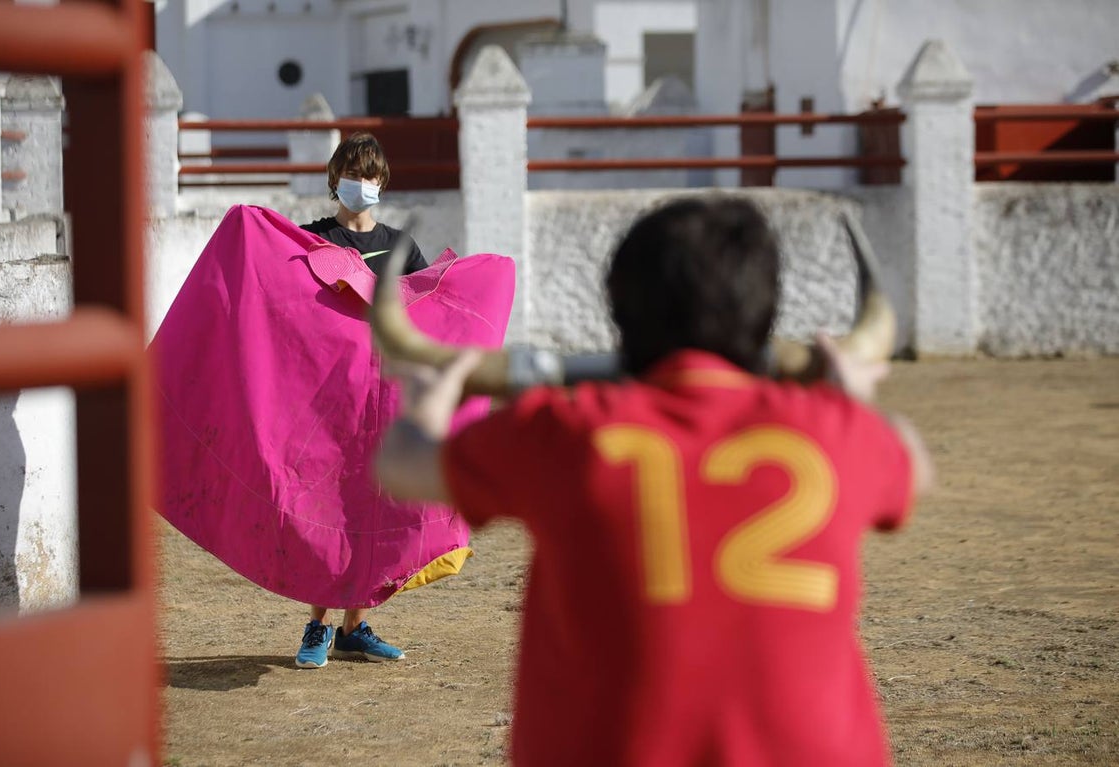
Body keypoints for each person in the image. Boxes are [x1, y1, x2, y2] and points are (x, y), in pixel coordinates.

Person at [374, 198, 934, 765]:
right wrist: (853, 406)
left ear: (619, 309)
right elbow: (915, 466)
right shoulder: (830, 432)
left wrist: (428, 402)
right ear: (765, 311)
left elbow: (402, 465)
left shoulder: (569, 430)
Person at [293, 132, 425, 668]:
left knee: (375, 507)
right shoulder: (311, 240)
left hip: (384, 398)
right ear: (335, 179)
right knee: (325, 508)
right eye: (353, 173)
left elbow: (428, 308)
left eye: (370, 175)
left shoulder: (401, 247)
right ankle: (317, 626)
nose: (362, 183)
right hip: (327, 401)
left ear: (382, 182)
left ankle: (354, 627)